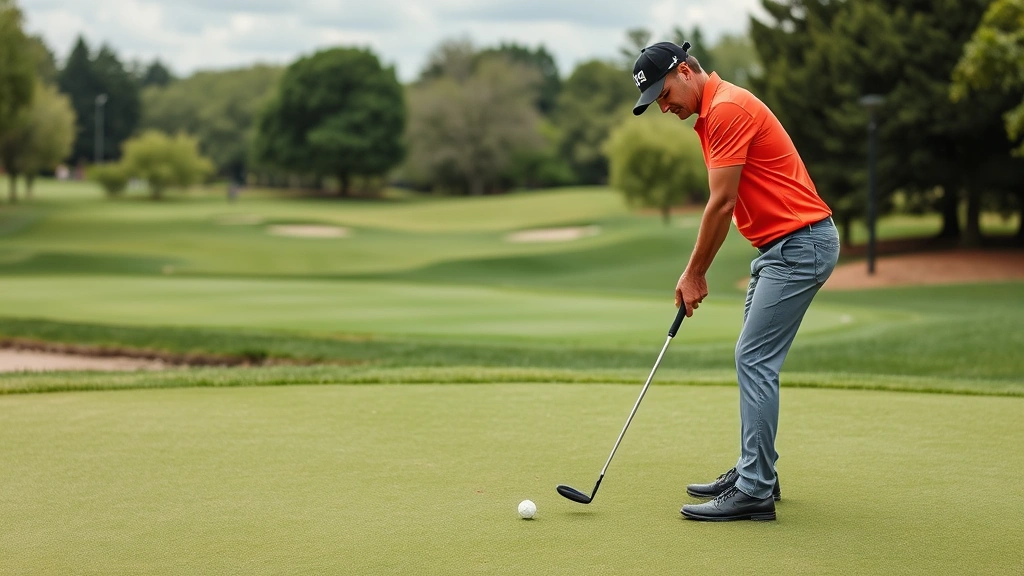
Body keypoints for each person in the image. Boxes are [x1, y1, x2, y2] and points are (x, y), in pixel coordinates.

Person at [631, 41, 841, 521]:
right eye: (657, 104)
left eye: (664, 96)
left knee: (752, 357)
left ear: (684, 72)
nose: (664, 108)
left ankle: (755, 489)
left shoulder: (725, 110)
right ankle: (757, 469)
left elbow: (721, 204)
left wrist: (694, 272)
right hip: (781, 249)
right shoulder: (710, 114)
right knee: (754, 358)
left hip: (799, 245)